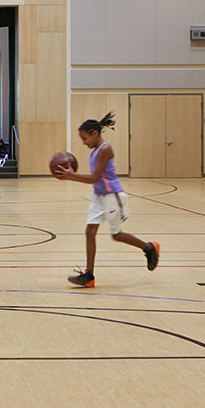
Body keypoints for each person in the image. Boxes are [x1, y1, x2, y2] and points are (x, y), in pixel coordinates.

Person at [52, 112, 159, 287]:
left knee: (117, 235)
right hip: (98, 197)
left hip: (112, 196)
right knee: (90, 232)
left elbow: (95, 178)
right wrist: (72, 176)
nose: (83, 142)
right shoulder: (94, 151)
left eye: (84, 138)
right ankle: (89, 275)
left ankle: (149, 248)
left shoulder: (105, 149)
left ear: (95, 133)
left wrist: (72, 176)